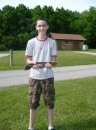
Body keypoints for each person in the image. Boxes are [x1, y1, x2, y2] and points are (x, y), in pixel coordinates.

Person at [25, 17, 57, 130]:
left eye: (44, 25)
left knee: (50, 102)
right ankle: (30, 127)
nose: (41, 28)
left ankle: (50, 126)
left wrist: (51, 64)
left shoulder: (52, 42)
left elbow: (54, 60)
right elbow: (28, 60)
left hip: (48, 77)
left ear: (47, 27)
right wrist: (32, 63)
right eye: (39, 26)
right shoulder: (31, 42)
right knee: (33, 102)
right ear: (36, 27)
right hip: (34, 77)